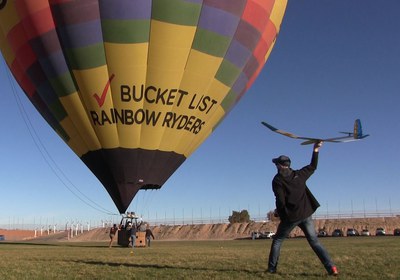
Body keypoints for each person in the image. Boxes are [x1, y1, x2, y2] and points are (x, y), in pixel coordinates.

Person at [267, 141, 338, 276]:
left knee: (277, 240)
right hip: (306, 214)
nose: (275, 165)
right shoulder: (299, 175)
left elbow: (280, 201)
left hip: (291, 217)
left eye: (276, 163)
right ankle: (331, 268)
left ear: (280, 166)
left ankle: (271, 269)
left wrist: (280, 214)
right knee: (314, 242)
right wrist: (316, 150)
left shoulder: (277, 181)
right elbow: (313, 166)